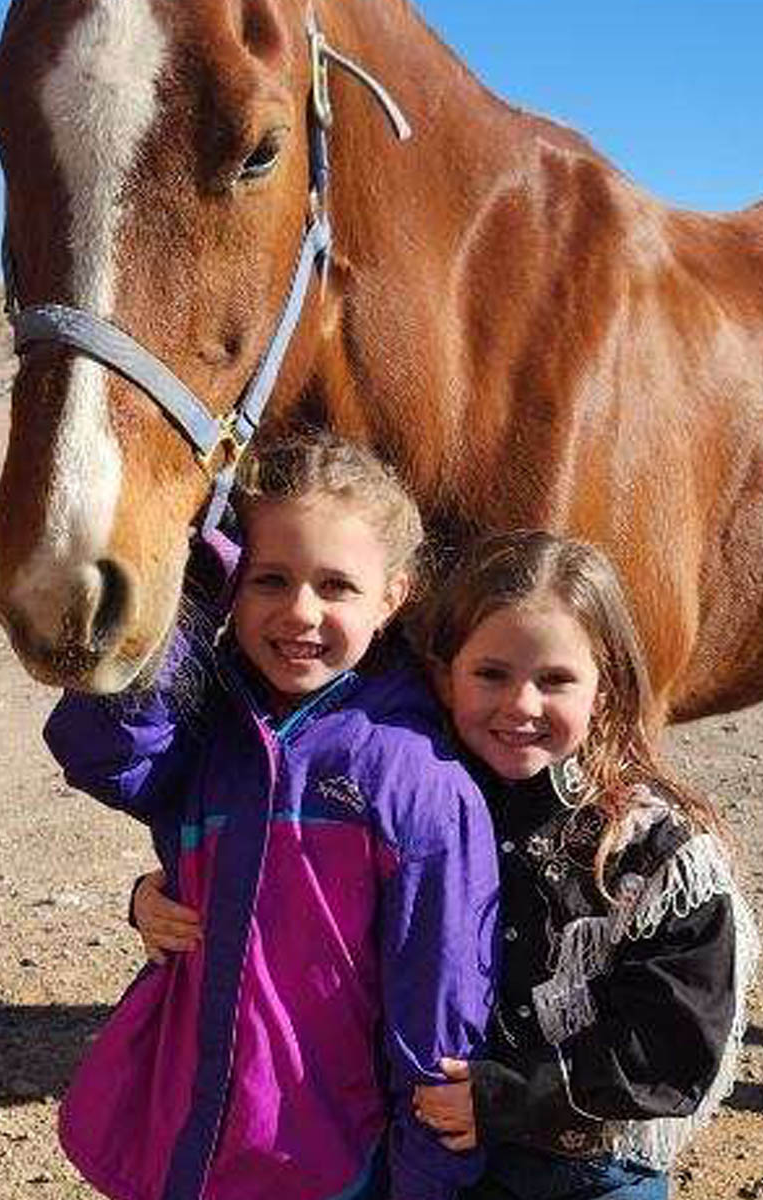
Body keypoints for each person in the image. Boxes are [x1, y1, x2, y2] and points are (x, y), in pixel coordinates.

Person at [135, 530, 758, 1200]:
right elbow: (293, 893)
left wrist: (504, 1096)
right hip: (442, 1156)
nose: (521, 705)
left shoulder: (656, 851)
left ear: (604, 688)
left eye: (555, 681)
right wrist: (158, 893)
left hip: (592, 1169)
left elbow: (675, 1048)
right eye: (491, 675)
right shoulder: (414, 801)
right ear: (444, 673)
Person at [45, 433, 499, 1200]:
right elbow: (100, 752)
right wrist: (182, 601)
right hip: (189, 1141)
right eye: (269, 580)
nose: (300, 612)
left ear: (393, 597)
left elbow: (440, 1018)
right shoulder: (208, 723)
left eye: (337, 587)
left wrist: (428, 1181)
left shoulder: (417, 778)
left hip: (328, 1163)